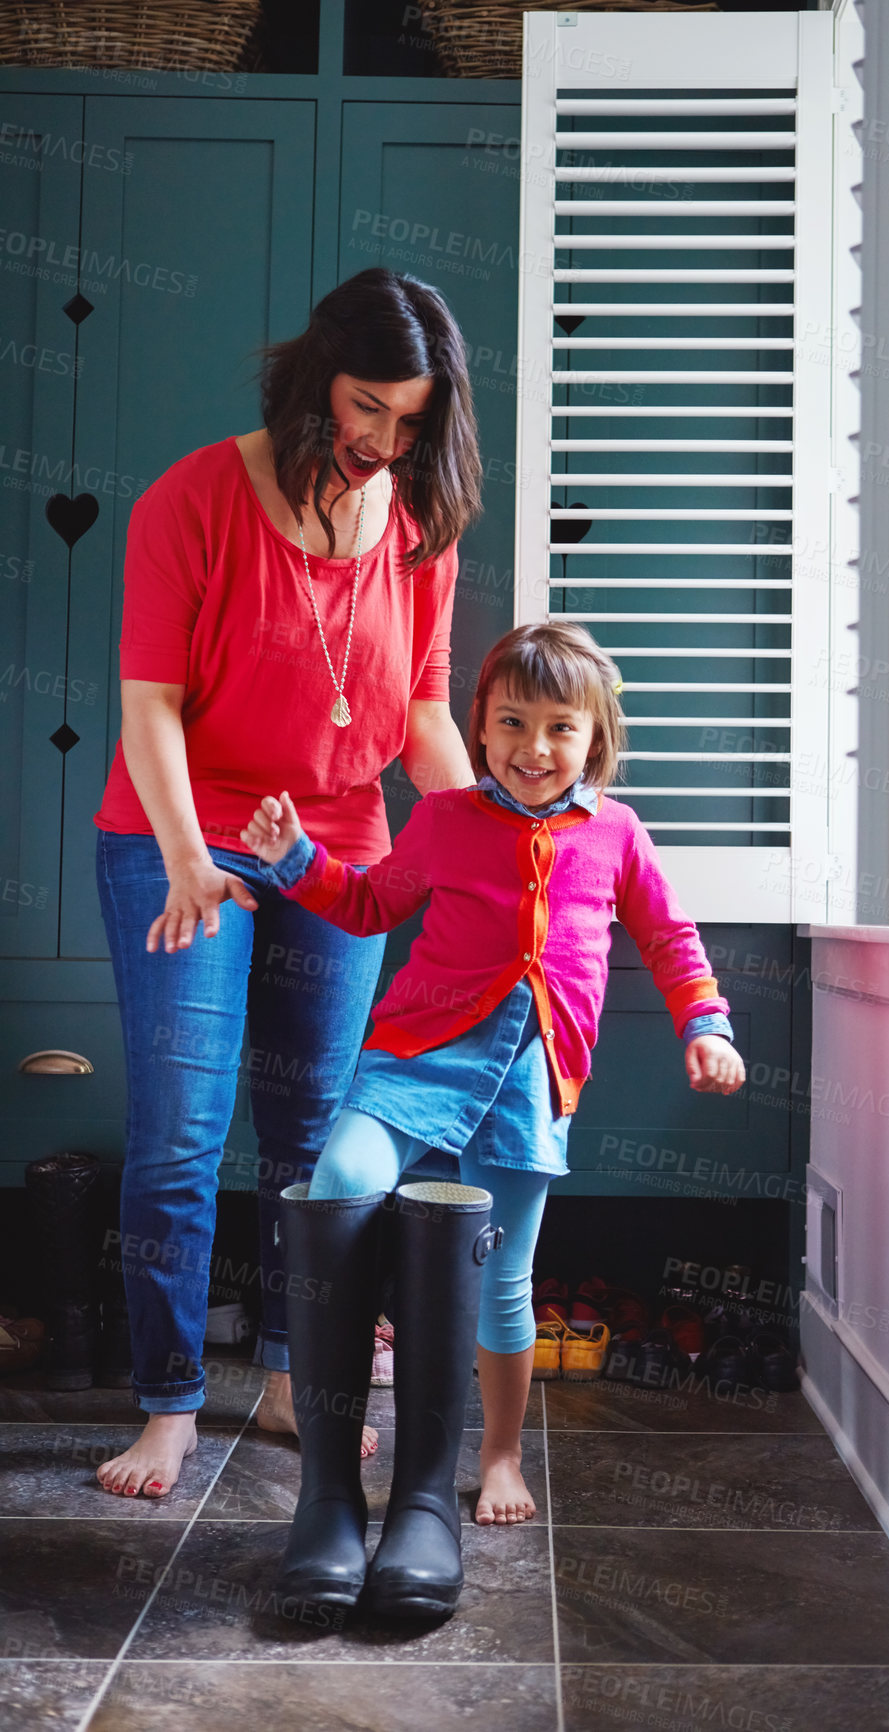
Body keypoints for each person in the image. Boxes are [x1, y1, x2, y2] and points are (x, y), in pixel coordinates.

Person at [240, 620, 746, 1619]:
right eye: (510, 721)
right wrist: (296, 859)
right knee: (336, 1183)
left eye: (558, 727)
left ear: (593, 738)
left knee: (500, 1280)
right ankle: (331, 1492)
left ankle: (490, 1458)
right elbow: (372, 902)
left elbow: (668, 935)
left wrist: (708, 1021)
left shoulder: (617, 832)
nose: (532, 746)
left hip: (528, 1076)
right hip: (412, 1058)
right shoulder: (444, 818)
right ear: (479, 727)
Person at [91, 268, 481, 1499]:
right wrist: (188, 857)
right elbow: (147, 704)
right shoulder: (192, 499)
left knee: (312, 1138)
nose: (382, 442)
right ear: (316, 378)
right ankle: (167, 1401)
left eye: (412, 420)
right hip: (184, 831)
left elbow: (420, 709)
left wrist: (490, 844)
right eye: (367, 408)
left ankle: (288, 1379)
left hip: (337, 845)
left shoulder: (418, 523)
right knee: (179, 1137)